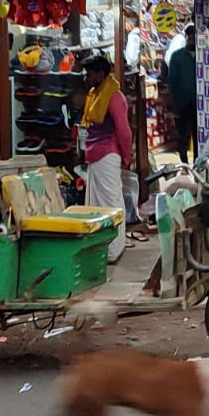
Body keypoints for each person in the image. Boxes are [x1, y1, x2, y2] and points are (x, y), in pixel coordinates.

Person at [80, 53, 134, 262]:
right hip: (96, 155)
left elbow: (124, 131)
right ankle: (104, 248)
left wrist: (127, 157)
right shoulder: (97, 94)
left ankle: (113, 249)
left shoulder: (114, 97)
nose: (86, 78)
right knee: (97, 203)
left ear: (100, 74)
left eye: (89, 74)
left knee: (111, 203)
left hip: (107, 155)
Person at [166, 24, 196, 161]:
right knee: (183, 134)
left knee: (198, 133)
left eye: (193, 37)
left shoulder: (204, 56)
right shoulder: (177, 57)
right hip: (182, 102)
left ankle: (198, 160)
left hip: (199, 103)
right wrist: (175, 102)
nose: (191, 40)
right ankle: (183, 162)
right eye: (189, 37)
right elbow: (172, 81)